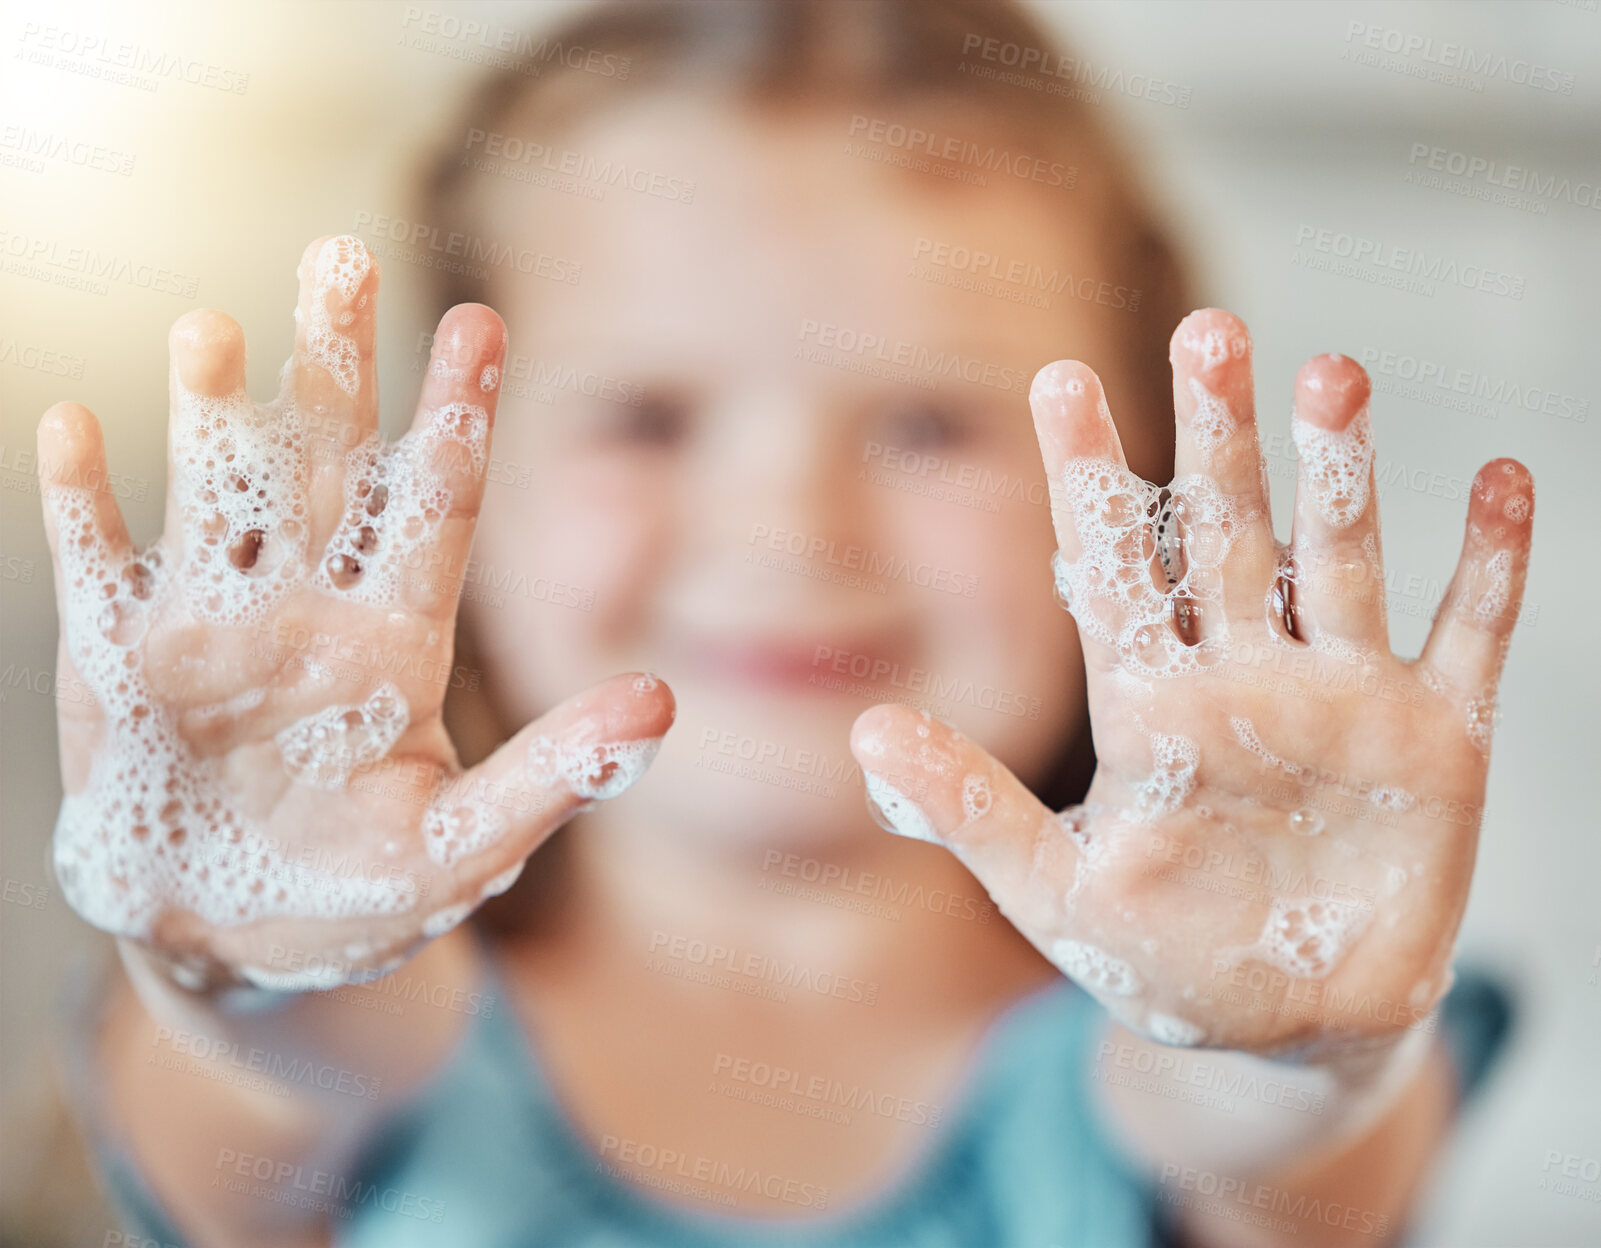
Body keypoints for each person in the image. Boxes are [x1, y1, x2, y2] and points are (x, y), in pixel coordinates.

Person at [37, 2, 1521, 1244]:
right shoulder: (334, 1036)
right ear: (445, 488)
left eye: (932, 423)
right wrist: (251, 972)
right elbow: (287, 1069)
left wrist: (1303, 1050)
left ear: (1143, 493)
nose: (788, 529)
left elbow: (1264, 1140)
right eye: (645, 415)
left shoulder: (1207, 1053)